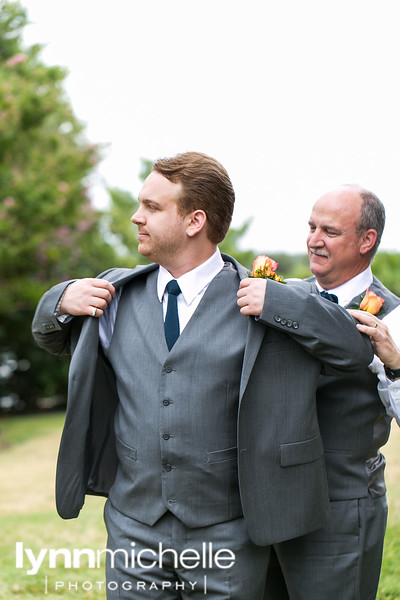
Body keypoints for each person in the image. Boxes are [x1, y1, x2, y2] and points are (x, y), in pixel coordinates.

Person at [32, 154, 372, 600]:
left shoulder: (262, 301)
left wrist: (284, 303)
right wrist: (60, 299)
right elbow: (48, 336)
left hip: (228, 533)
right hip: (133, 525)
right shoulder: (113, 295)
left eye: (152, 207)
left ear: (194, 221)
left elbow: (353, 351)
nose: (137, 217)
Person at [264, 184, 400, 600]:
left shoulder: (394, 315)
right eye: (311, 227)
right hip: (267, 502)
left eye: (330, 231)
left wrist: (395, 364)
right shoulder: (281, 298)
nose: (314, 240)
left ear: (366, 240)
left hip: (340, 508)